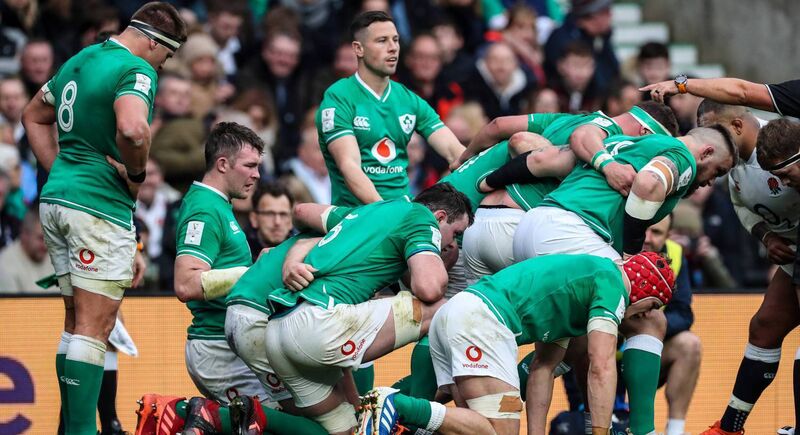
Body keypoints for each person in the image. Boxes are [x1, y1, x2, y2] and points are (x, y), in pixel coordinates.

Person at [21, 3, 186, 433]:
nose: (161, 67)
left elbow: (33, 115)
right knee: (96, 326)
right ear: (152, 41)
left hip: (57, 199)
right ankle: (81, 431)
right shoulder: (136, 69)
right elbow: (133, 130)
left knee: (76, 321)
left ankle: (70, 428)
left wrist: (60, 168)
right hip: (97, 206)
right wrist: (135, 172)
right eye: (165, 56)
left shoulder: (82, 58)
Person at [363, 252, 674, 435]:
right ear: (647, 302)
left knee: (481, 424)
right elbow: (602, 367)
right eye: (644, 313)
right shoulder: (611, 285)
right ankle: (397, 404)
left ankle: (400, 410)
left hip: (461, 316)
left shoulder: (584, 286)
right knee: (498, 431)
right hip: (484, 324)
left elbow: (543, 369)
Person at [262, 183, 472, 435]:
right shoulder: (421, 217)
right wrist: (436, 258)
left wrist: (293, 259)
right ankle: (420, 419)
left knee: (347, 428)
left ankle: (226, 415)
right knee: (446, 308)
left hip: (277, 330)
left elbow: (303, 211)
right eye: (455, 233)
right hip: (318, 323)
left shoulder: (370, 210)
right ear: (440, 217)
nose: (453, 244)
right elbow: (429, 288)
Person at [694, 108, 800, 435]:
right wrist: (765, 235)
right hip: (794, 253)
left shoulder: (784, 145)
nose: (709, 143)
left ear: (737, 124)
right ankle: (730, 428)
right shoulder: (738, 161)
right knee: (765, 326)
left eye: (715, 131)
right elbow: (741, 205)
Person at [317, 11, 465, 208]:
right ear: (358, 49)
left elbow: (454, 151)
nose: (393, 48)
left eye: (395, 40)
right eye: (382, 40)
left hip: (403, 209)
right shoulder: (338, 97)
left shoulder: (408, 99)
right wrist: (387, 212)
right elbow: (349, 166)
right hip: (356, 215)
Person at [642, 215, 702, 435]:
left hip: (651, 347)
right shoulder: (613, 248)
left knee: (689, 344)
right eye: (644, 229)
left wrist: (648, 325)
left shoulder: (675, 255)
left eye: (657, 232)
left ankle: (676, 430)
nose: (647, 238)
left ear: (668, 235)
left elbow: (683, 314)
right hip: (609, 351)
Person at [0, 203, 54, 293]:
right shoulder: (5, 265)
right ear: (24, 235)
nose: (46, 245)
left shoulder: (56, 259)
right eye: (41, 238)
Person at [246, 182, 295, 259]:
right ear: (254, 219)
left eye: (283, 214)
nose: (277, 222)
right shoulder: (240, 250)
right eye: (269, 214)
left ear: (291, 220)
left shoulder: (305, 250)